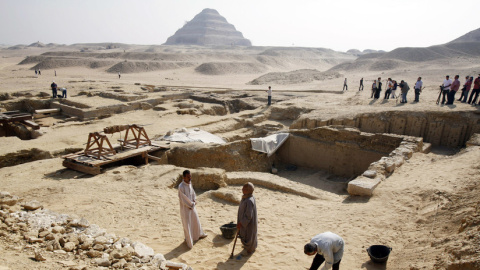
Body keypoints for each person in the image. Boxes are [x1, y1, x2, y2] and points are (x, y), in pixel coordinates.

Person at [178, 170, 207, 249]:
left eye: (190, 176)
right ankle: (189, 241)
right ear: (184, 177)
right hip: (186, 209)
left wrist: (194, 200)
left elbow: (193, 193)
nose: (190, 178)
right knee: (187, 224)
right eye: (188, 177)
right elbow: (183, 199)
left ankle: (199, 234)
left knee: (195, 220)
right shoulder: (181, 186)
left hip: (192, 206)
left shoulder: (190, 184)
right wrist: (191, 204)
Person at [236, 182, 257, 255]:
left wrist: (241, 223)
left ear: (248, 190)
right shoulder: (246, 197)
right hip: (244, 221)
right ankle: (247, 247)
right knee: (246, 235)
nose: (242, 189)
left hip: (248, 223)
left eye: (244, 188)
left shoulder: (249, 200)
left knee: (248, 235)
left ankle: (249, 250)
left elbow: (248, 215)